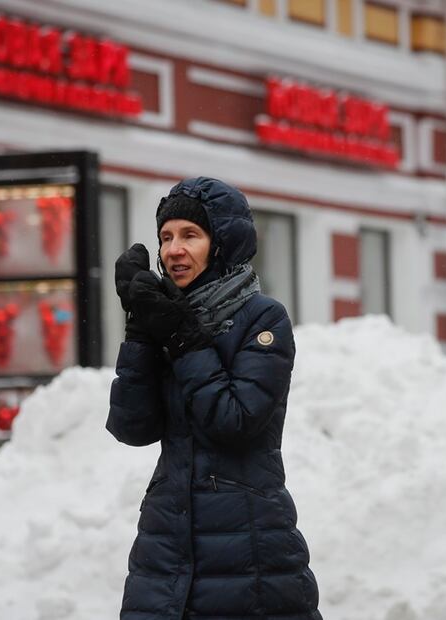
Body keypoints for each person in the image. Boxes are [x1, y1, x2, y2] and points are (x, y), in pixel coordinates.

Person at [107, 177, 322, 620]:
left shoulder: (262, 319)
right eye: (166, 237)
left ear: (222, 242)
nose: (173, 250)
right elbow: (132, 427)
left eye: (190, 235)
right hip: (166, 545)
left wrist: (182, 338)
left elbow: (235, 421)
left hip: (247, 547)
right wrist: (140, 330)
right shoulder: (169, 316)